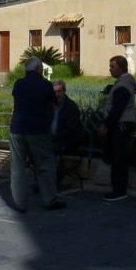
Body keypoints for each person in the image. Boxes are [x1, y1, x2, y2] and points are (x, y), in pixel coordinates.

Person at [9, 57, 66, 212]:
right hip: (38, 129)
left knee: (18, 166)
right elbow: (53, 102)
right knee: (45, 164)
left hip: (17, 129)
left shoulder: (19, 83)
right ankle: (50, 200)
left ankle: (20, 203)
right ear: (39, 69)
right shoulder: (45, 85)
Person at [97, 55, 136, 202]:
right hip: (122, 124)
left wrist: (105, 125)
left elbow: (117, 109)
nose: (110, 69)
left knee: (118, 158)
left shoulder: (123, 86)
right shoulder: (122, 84)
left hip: (120, 125)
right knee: (117, 156)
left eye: (112, 66)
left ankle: (119, 190)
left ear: (121, 68)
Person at [51, 79, 83, 154]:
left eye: (59, 91)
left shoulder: (71, 107)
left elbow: (70, 131)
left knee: (47, 149)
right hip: (51, 138)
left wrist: (52, 138)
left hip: (66, 141)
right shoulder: (50, 105)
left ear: (64, 91)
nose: (56, 94)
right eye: (54, 92)